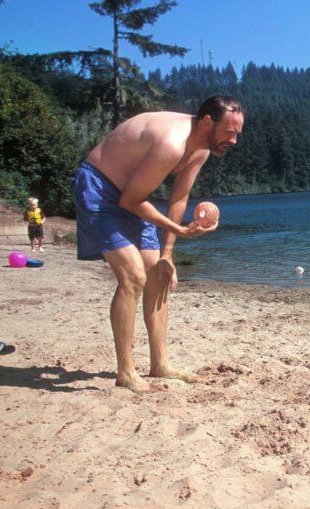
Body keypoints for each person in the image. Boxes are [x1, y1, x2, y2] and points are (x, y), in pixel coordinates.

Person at [73, 96, 244, 393]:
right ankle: (126, 371)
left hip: (132, 194)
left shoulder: (200, 149)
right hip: (100, 189)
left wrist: (168, 253)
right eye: (229, 131)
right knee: (133, 276)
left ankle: (159, 363)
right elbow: (130, 201)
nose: (234, 140)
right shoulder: (172, 143)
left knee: (158, 275)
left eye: (238, 133)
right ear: (208, 122)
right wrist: (178, 228)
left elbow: (179, 197)